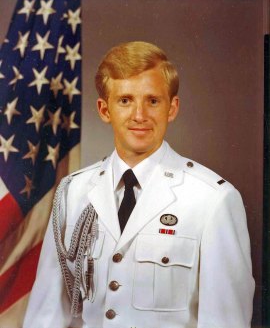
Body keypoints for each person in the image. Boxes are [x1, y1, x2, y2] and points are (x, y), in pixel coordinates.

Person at [23, 41, 255, 328]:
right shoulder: (74, 193)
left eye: (153, 101)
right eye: (125, 100)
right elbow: (47, 313)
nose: (139, 115)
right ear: (104, 110)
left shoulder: (212, 200)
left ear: (172, 108)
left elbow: (225, 321)